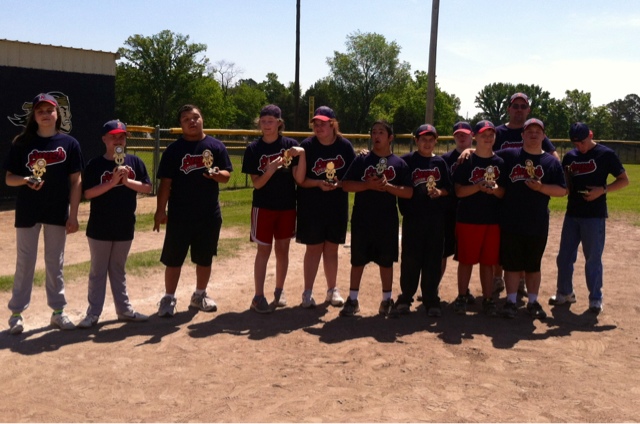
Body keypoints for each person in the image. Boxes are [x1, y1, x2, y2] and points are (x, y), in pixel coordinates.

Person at [3, 93, 83, 334]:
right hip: (28, 211)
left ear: (57, 114)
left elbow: (76, 181)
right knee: (25, 262)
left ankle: (58, 311)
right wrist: (26, 180)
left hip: (57, 210)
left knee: (55, 262)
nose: (45, 114)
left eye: (50, 110)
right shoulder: (22, 142)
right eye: (40, 111)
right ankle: (16, 315)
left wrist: (74, 214)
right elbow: (9, 179)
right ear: (34, 116)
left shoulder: (70, 143)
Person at [153, 104, 232, 317]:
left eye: (195, 117)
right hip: (179, 214)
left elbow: (227, 175)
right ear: (181, 124)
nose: (192, 121)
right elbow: (165, 184)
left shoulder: (215, 146)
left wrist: (217, 175)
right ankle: (169, 298)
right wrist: (160, 211)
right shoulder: (173, 150)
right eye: (186, 119)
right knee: (173, 258)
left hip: (208, 214)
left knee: (204, 258)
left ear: (202, 119)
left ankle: (199, 295)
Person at [77, 120, 152, 328]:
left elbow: (147, 187)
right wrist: (111, 183)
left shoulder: (135, 162)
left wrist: (127, 182)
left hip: (125, 224)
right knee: (98, 271)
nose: (118, 140)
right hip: (100, 226)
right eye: (113, 136)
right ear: (104, 139)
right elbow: (88, 193)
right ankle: (93, 313)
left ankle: (124, 310)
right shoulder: (95, 164)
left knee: (118, 269)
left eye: (122, 136)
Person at [551, 123, 629, 314]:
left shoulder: (605, 154)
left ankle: (595, 298)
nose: (580, 147)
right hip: (572, 213)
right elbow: (566, 182)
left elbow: (624, 180)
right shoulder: (570, 157)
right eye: (576, 144)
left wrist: (602, 190)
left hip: (594, 215)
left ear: (591, 135)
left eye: (583, 142)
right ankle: (565, 293)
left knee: (592, 258)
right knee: (564, 257)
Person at [340, 120, 413, 317]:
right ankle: (352, 299)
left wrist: (387, 187)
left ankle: (386, 300)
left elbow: (408, 192)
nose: (376, 136)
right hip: (362, 218)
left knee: (386, 262)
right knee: (358, 261)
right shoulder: (362, 160)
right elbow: (345, 185)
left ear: (390, 138)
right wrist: (367, 185)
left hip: (386, 219)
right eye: (373, 132)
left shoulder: (399, 163)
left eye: (381, 132)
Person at [497, 118, 566, 319]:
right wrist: (468, 150)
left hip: (537, 221)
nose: (533, 134)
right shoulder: (510, 155)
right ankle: (511, 301)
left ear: (544, 136)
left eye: (538, 131)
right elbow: (486, 156)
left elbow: (562, 190)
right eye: (529, 131)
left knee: (533, 265)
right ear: (523, 135)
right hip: (511, 219)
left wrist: (541, 188)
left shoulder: (551, 162)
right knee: (511, 264)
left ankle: (533, 302)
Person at [493, 92, 560, 297]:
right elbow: (484, 150)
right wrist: (469, 150)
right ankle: (497, 277)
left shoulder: (534, 131)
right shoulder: (499, 132)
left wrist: (548, 176)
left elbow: (553, 156)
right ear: (509, 109)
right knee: (502, 241)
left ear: (528, 110)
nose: (519, 109)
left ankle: (521, 281)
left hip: (529, 197)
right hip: (502, 192)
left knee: (524, 240)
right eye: (516, 106)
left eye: (523, 106)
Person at [241, 105, 305, 314]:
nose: (267, 125)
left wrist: (302, 154)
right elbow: (257, 184)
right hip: (263, 206)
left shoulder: (290, 145)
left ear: (279, 123)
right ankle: (258, 296)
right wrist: (271, 169)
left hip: (287, 205)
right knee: (264, 250)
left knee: (283, 249)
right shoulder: (253, 149)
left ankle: (279, 290)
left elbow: (298, 178)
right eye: (263, 121)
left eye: (271, 121)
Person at [296, 106, 356, 308]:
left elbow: (352, 176)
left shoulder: (344, 146)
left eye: (323, 123)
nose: (318, 127)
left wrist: (339, 184)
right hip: (312, 205)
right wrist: (318, 183)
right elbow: (300, 180)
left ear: (333, 124)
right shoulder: (307, 146)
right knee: (313, 249)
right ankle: (307, 292)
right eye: (316, 123)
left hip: (336, 205)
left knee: (331, 249)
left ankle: (332, 290)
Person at [389, 124, 451, 318]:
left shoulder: (440, 163)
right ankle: (406, 297)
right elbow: (389, 167)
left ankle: (431, 299)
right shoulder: (407, 161)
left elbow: (448, 188)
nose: (427, 143)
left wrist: (440, 192)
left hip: (435, 219)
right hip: (413, 218)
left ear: (436, 142)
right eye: (423, 139)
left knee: (433, 260)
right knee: (410, 260)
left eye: (431, 139)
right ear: (416, 140)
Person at [451, 120, 505, 316]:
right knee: (466, 261)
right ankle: (462, 296)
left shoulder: (500, 163)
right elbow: (458, 191)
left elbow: (503, 193)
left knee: (488, 262)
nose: (488, 138)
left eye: (491, 134)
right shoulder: (467, 161)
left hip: (492, 220)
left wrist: (495, 190)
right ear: (475, 137)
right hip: (468, 218)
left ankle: (488, 299)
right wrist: (478, 187)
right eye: (483, 135)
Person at [440, 121, 476, 305]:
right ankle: (433, 288)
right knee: (442, 252)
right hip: (448, 211)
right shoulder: (445, 159)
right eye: (458, 134)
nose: (461, 137)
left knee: (466, 255)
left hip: (470, 212)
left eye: (465, 134)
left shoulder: (480, 157)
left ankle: (464, 290)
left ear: (472, 136)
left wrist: (471, 150)